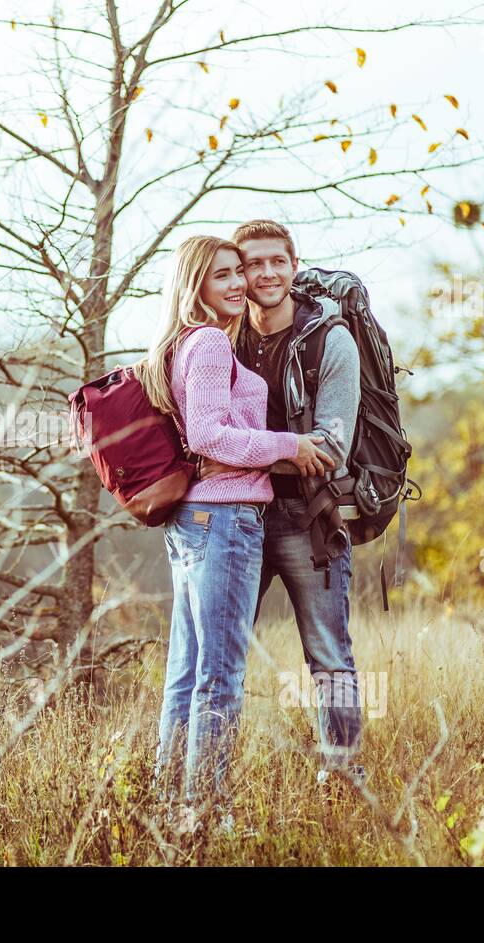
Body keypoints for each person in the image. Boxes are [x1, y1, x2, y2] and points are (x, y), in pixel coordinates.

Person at [137, 234, 332, 826]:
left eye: (237, 273)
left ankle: (168, 801)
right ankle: (204, 810)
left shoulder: (182, 344)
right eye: (222, 275)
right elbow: (207, 435)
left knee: (188, 672)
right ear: (195, 283)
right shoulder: (209, 345)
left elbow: (204, 434)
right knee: (219, 674)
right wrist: (290, 446)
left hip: (196, 521)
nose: (238, 284)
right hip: (222, 520)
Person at [199, 219, 367, 789]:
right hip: (233, 522)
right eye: (252, 264)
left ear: (294, 265)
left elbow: (332, 447)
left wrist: (235, 454)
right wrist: (267, 451)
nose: (265, 273)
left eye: (278, 261)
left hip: (305, 520)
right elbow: (199, 430)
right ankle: (207, 785)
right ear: (237, 273)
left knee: (329, 656)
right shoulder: (222, 338)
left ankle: (342, 778)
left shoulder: (330, 339)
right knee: (218, 659)